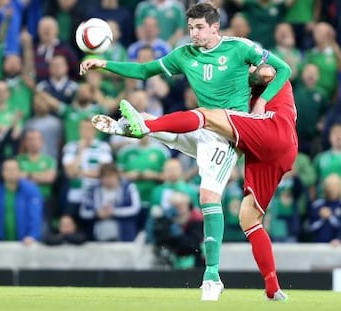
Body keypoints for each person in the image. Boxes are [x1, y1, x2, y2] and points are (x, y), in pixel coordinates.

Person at [80, 2, 291, 301]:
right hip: (200, 128)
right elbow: (143, 71)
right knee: (165, 123)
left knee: (207, 195)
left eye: (200, 27)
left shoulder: (240, 48)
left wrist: (261, 102)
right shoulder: (184, 55)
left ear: (215, 27)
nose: (193, 33)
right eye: (190, 27)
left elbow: (284, 69)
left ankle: (212, 276)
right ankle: (131, 126)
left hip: (228, 135)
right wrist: (104, 64)